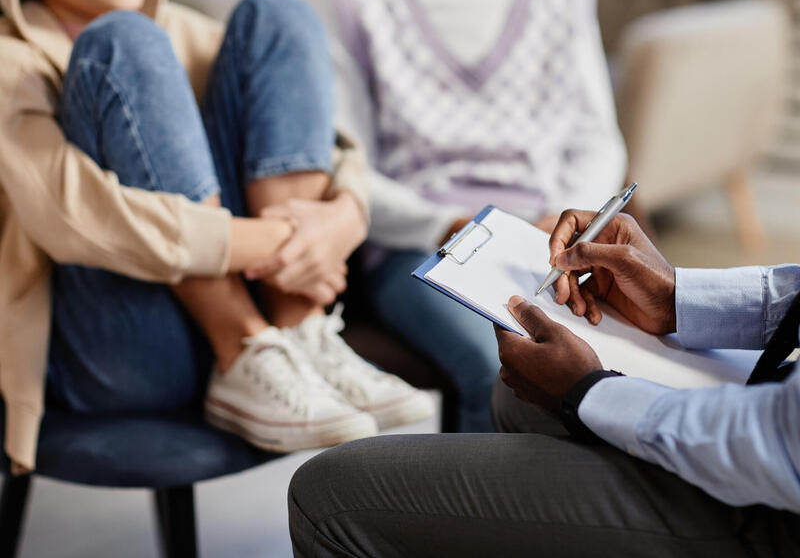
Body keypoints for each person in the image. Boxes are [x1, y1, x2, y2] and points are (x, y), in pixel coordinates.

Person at [0, 0, 432, 473]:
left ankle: (300, 331)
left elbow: (333, 142)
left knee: (279, 14)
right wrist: (291, 241)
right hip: (113, 350)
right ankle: (241, 343)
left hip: (251, 320)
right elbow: (73, 220)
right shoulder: (10, 63)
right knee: (124, 40)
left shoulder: (186, 30)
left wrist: (345, 215)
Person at [288, 209, 800, 557]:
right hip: (775, 418)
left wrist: (589, 391)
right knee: (512, 400)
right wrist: (677, 298)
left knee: (327, 495)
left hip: (778, 513)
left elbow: (778, 444)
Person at [324, 0, 627, 431]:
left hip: (547, 236)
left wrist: (563, 217)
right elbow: (348, 167)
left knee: (620, 368)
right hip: (421, 246)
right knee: (506, 369)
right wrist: (450, 226)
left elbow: (597, 138)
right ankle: (483, 503)